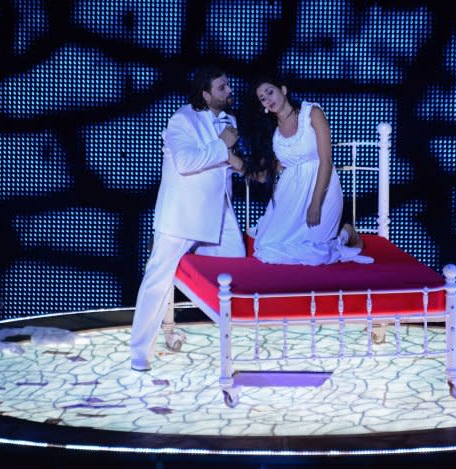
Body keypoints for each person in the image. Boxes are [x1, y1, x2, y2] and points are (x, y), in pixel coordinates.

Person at [129, 65, 246, 371]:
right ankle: (140, 353)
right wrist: (223, 145)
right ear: (206, 94)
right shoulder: (183, 119)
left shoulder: (229, 121)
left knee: (235, 279)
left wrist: (236, 160)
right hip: (182, 217)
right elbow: (185, 162)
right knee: (158, 281)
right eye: (222, 87)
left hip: (218, 217)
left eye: (228, 85)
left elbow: (221, 163)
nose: (229, 91)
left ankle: (232, 350)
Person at [245, 76, 371, 265]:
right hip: (291, 194)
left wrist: (316, 202)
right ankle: (343, 235)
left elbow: (326, 162)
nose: (268, 99)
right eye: (263, 98)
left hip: (321, 189)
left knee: (315, 252)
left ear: (284, 90)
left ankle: (346, 234)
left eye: (270, 92)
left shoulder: (311, 113)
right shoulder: (273, 130)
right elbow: (274, 169)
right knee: (268, 249)